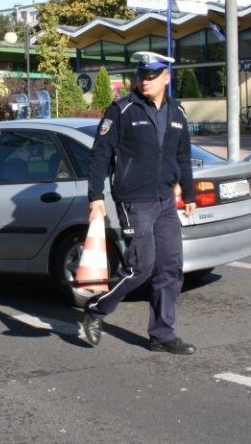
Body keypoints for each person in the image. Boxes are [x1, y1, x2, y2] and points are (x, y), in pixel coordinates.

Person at [82, 51, 197, 355]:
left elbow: (182, 156)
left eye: (152, 75)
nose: (145, 80)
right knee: (140, 268)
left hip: (164, 201)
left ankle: (162, 334)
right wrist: (95, 197)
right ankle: (95, 308)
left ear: (166, 78)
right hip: (135, 201)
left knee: (170, 268)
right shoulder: (122, 110)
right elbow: (100, 156)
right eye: (141, 75)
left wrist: (190, 193)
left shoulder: (177, 112)